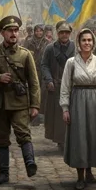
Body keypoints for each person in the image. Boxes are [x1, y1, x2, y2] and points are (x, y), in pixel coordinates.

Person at [0, 15, 41, 185]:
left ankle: (30, 163)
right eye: (10, 31)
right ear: (2, 33)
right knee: (2, 138)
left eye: (16, 30)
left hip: (19, 103)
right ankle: (3, 173)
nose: (13, 34)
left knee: (23, 134)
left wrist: (35, 104)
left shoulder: (25, 55)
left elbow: (34, 82)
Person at [60, 28, 96, 190]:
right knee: (79, 137)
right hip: (78, 102)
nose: (87, 43)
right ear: (79, 43)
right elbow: (65, 86)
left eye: (90, 40)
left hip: (95, 102)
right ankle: (80, 176)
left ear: (93, 42)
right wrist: (65, 108)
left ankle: (89, 172)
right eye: (84, 40)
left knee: (93, 136)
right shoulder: (71, 63)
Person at [40, 21, 76, 152]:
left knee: (71, 113)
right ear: (57, 33)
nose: (64, 35)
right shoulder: (50, 48)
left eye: (67, 32)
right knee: (57, 115)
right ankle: (61, 140)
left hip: (72, 86)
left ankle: (70, 138)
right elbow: (44, 65)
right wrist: (48, 80)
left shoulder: (75, 47)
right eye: (62, 32)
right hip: (55, 86)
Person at [22, 23, 49, 125]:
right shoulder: (29, 42)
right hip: (32, 69)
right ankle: (31, 116)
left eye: (41, 31)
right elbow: (24, 54)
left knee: (42, 92)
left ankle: (39, 114)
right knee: (31, 91)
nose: (39, 32)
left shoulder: (47, 43)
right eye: (37, 31)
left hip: (43, 70)